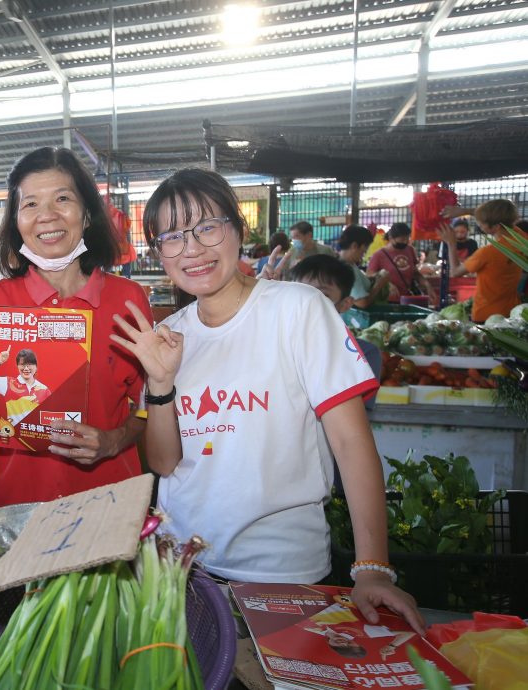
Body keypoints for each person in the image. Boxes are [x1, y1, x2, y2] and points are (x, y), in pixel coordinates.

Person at [110, 168, 423, 633]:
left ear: (238, 230)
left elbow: (351, 443)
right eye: (172, 237)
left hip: (283, 575)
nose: (191, 249)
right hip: (180, 572)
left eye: (207, 227)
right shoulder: (168, 335)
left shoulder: (297, 309)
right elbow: (163, 462)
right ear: (158, 252)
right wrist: (160, 382)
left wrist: (372, 566)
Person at [0, 146, 151, 510]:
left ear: (88, 215)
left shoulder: (128, 299)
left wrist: (114, 439)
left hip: (110, 505)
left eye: (62, 199)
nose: (46, 215)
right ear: (15, 221)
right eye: (30, 204)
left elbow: (148, 405)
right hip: (21, 510)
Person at [291, 254, 382, 409]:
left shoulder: (364, 355)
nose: (308, 302)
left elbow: (353, 417)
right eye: (301, 293)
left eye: (322, 295)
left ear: (345, 304)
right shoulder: (272, 344)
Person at [439, 199, 526, 322]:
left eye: (481, 223)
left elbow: (455, 272)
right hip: (510, 313)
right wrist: (465, 211)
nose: (478, 223)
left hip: (485, 315)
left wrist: (451, 243)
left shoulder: (487, 253)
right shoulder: (520, 239)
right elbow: (501, 217)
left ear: (495, 227)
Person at [366, 222, 435, 304]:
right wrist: (386, 284)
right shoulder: (379, 255)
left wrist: (427, 284)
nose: (405, 242)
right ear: (391, 238)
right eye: (402, 240)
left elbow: (415, 273)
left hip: (407, 298)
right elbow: (369, 275)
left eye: (407, 239)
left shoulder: (410, 250)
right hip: (387, 300)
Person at [0, 346, 50, 425]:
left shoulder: (44, 389)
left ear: (36, 367)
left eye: (29, 364)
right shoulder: (9, 383)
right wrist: (0, 360)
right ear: (17, 366)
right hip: (15, 435)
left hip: (34, 433)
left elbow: (49, 416)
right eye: (22, 365)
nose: (26, 368)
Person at [335, 225, 390, 309]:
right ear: (354, 246)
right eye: (364, 251)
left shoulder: (350, 264)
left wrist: (373, 278)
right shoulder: (345, 268)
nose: (363, 255)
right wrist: (379, 285)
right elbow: (362, 302)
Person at [271, 220, 336, 279]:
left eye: (297, 236)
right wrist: (292, 269)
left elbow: (335, 273)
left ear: (309, 235)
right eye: (292, 237)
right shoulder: (292, 252)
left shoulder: (325, 251)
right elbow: (286, 275)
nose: (294, 240)